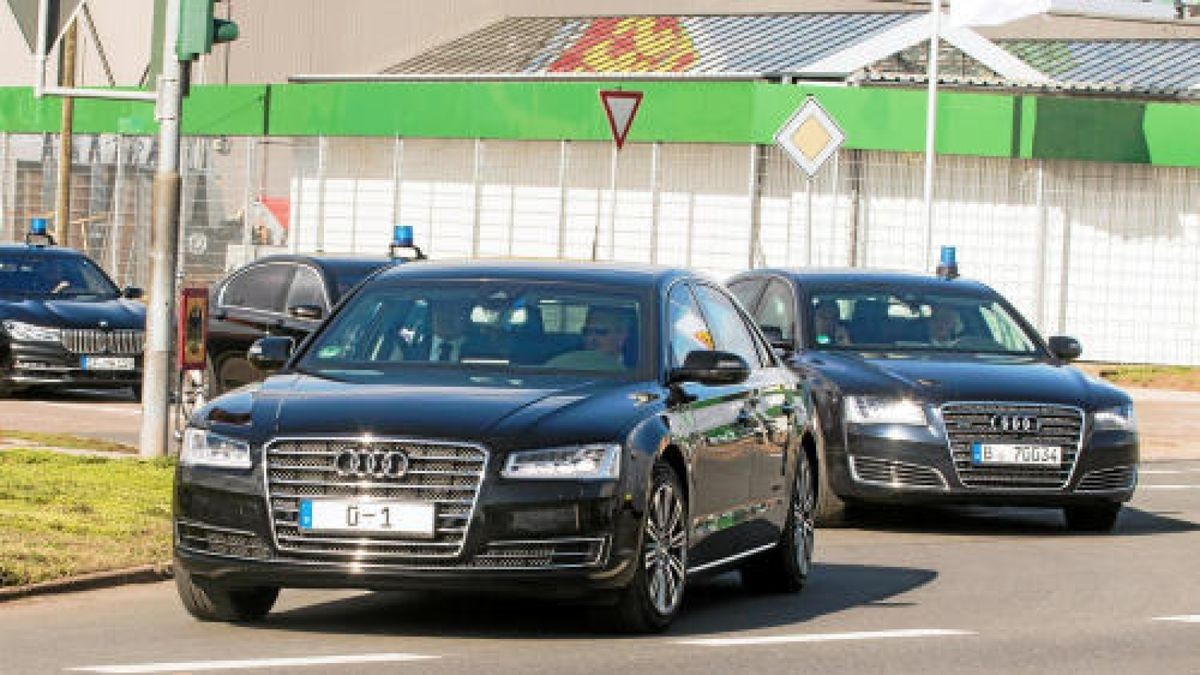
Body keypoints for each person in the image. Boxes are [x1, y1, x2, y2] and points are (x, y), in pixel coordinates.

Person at [545, 306, 632, 372]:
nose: (591, 339)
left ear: (622, 335)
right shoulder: (569, 363)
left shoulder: (639, 367)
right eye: (587, 332)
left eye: (601, 332)